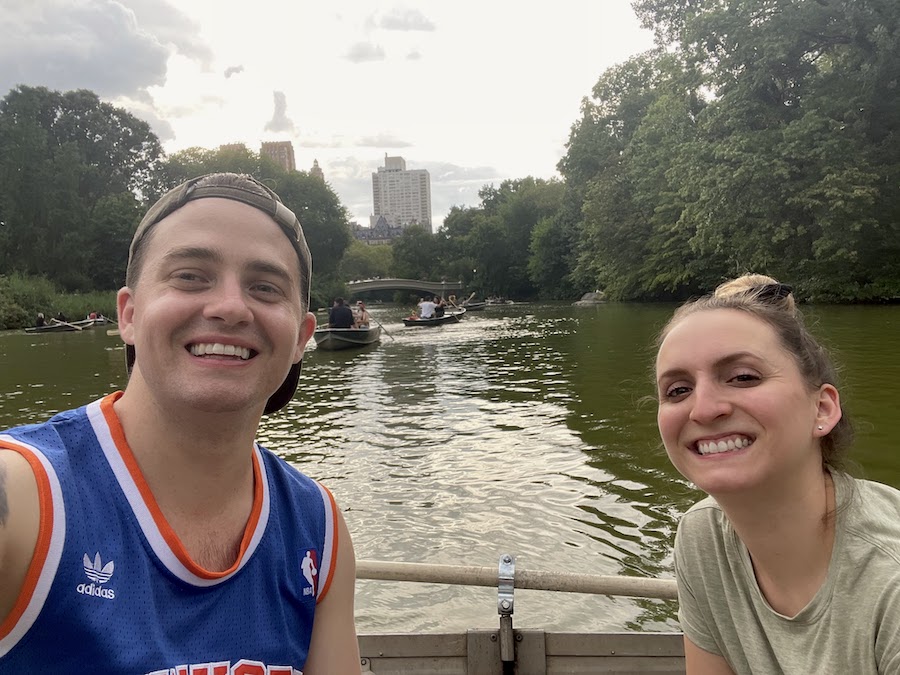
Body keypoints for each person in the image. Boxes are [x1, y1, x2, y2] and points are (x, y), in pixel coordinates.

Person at [0, 173, 361, 673]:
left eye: (265, 287)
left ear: (301, 338)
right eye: (190, 276)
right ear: (128, 314)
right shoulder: (21, 501)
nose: (231, 307)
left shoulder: (318, 527)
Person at [654, 273, 900, 674]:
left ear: (821, 410)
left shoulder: (890, 579)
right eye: (678, 390)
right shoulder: (701, 538)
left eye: (743, 377)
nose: (702, 409)